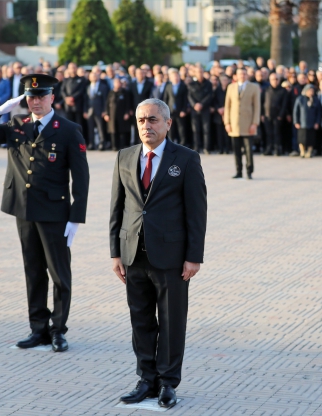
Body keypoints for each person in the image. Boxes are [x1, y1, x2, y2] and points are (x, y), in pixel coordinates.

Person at [0, 74, 90, 353]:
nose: (35, 102)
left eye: (41, 96)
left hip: (55, 212)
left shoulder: (68, 129)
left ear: (52, 98)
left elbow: (81, 177)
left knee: (59, 273)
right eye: (30, 97)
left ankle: (58, 330)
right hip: (23, 209)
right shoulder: (16, 124)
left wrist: (76, 216)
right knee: (33, 271)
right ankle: (38, 329)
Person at [110, 98, 207, 410]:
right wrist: (115, 252)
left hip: (172, 256)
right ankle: (146, 379)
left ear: (167, 123)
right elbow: (117, 207)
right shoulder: (125, 157)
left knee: (171, 321)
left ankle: (167, 382)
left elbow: (197, 211)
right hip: (133, 253)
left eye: (152, 120)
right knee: (140, 320)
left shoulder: (187, 159)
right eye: (141, 120)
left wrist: (194, 256)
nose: (146, 126)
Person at [224, 67, 260, 179]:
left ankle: (249, 171)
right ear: (236, 75)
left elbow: (257, 106)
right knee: (236, 149)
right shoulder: (231, 87)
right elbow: (227, 106)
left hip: (248, 124)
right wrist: (227, 122)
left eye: (244, 74)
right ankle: (238, 171)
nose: (242, 76)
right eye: (240, 74)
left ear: (247, 75)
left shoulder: (254, 87)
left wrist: (255, 123)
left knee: (248, 150)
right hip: (234, 124)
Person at [188, 66, 213, 153]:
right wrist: (195, 104)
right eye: (198, 72)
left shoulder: (208, 84)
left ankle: (206, 148)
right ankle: (197, 147)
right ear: (195, 73)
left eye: (201, 72)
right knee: (196, 129)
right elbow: (189, 96)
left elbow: (210, 96)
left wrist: (202, 104)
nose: (200, 73)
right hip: (195, 110)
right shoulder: (191, 84)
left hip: (205, 109)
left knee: (206, 129)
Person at [262, 72, 288, 155]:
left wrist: (281, 115)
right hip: (267, 115)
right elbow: (262, 103)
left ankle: (277, 149)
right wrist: (262, 114)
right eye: (273, 79)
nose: (275, 81)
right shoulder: (266, 90)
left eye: (277, 79)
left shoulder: (283, 91)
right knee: (268, 133)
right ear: (270, 80)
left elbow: (285, 104)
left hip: (278, 116)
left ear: (279, 80)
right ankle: (269, 149)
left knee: (277, 133)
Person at [162, 68, 189, 147]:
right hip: (170, 111)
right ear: (170, 77)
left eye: (177, 76)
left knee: (181, 129)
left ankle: (183, 144)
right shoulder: (168, 86)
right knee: (170, 129)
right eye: (173, 76)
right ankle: (170, 144)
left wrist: (184, 110)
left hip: (180, 111)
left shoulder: (183, 86)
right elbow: (165, 99)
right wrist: (165, 111)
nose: (175, 78)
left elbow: (185, 99)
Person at [293, 84, 321, 158]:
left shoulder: (315, 100)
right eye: (309, 90)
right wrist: (296, 122)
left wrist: (317, 122)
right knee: (301, 139)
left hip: (312, 123)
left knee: (311, 139)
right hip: (302, 123)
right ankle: (302, 152)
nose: (311, 92)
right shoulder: (300, 99)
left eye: (312, 90)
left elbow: (318, 112)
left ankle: (309, 152)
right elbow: (296, 111)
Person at [84, 71, 110, 150]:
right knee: (90, 128)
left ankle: (102, 143)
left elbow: (106, 100)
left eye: (95, 76)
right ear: (89, 78)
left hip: (99, 110)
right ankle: (91, 144)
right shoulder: (88, 87)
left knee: (100, 128)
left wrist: (104, 110)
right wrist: (85, 111)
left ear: (98, 77)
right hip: (90, 111)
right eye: (92, 76)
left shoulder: (103, 87)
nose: (94, 77)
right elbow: (85, 100)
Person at [104, 78, 131, 150]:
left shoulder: (125, 92)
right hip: (112, 115)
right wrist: (106, 114)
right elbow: (107, 104)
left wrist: (127, 113)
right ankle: (114, 146)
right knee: (113, 130)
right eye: (116, 82)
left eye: (119, 82)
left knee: (122, 130)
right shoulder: (111, 92)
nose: (117, 84)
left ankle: (122, 146)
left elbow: (128, 103)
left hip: (122, 114)